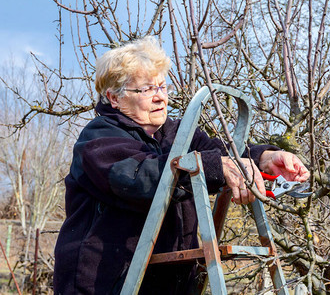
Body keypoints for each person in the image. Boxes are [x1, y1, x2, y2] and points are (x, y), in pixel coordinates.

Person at [53, 36, 309, 295]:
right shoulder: (99, 139)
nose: (160, 98)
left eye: (162, 87)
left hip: (167, 283)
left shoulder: (177, 133)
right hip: (104, 284)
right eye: (147, 90)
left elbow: (219, 152)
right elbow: (139, 177)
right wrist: (210, 167)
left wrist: (263, 158)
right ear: (114, 98)